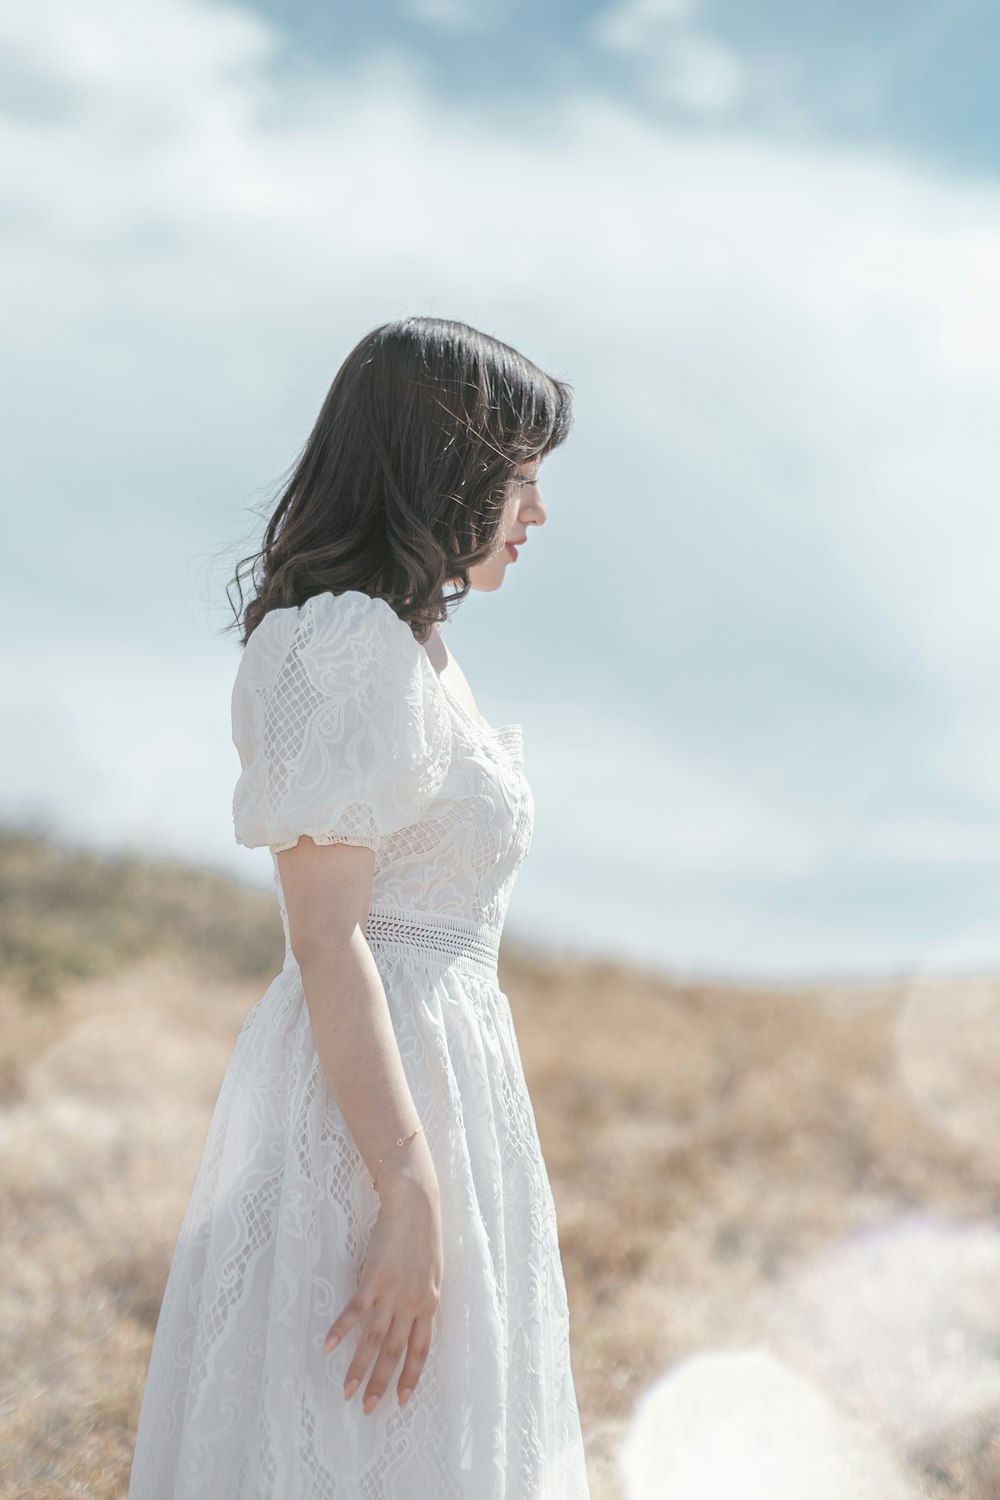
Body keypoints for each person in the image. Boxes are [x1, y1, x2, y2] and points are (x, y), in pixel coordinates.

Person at [126, 316, 591, 1498]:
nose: (534, 513)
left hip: (448, 1088)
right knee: (339, 1433)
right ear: (444, 465)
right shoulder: (340, 644)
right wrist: (406, 1183)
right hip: (369, 1108)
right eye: (519, 479)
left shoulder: (420, 648)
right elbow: (329, 941)